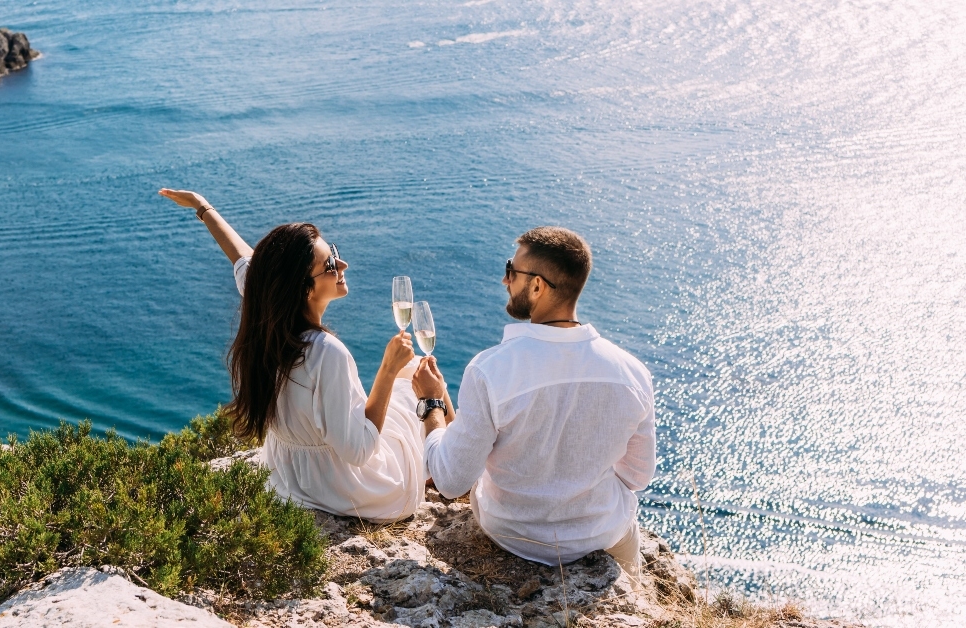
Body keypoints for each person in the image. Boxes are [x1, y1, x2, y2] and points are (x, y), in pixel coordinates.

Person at [159, 188, 437, 522]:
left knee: (411, 380)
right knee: (420, 375)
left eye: (334, 253)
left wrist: (202, 206)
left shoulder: (267, 310)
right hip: (353, 491)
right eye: (330, 265)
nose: (343, 264)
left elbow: (244, 260)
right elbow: (359, 450)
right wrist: (388, 371)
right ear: (304, 289)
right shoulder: (327, 353)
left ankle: (445, 465)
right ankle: (448, 471)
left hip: (288, 481)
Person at [411, 226, 655, 582]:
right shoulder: (632, 373)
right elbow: (637, 476)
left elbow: (450, 481)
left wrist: (431, 402)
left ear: (538, 286)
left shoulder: (490, 369)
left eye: (511, 270)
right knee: (637, 586)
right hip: (602, 534)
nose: (504, 280)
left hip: (511, 534)